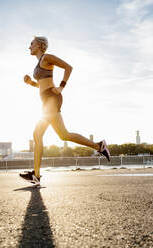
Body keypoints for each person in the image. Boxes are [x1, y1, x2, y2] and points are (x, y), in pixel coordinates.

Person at [19, 36, 110, 185]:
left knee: (37, 134)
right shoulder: (39, 63)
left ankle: (36, 174)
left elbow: (68, 68)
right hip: (46, 99)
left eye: (31, 43)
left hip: (52, 98)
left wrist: (61, 86)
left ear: (40, 45)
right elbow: (42, 85)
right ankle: (99, 146)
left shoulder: (47, 57)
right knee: (64, 135)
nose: (29, 46)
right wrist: (31, 83)